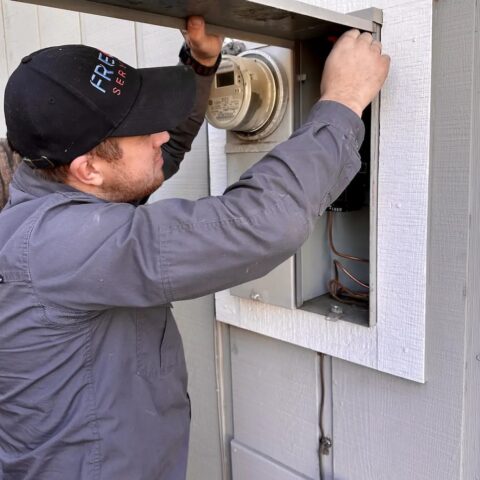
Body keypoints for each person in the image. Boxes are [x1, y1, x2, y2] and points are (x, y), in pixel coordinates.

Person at [0, 15, 390, 480]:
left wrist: (202, 64)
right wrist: (343, 101)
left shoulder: (61, 187)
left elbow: (146, 165)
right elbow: (255, 224)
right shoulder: (60, 245)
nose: (162, 135)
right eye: (146, 128)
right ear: (87, 169)